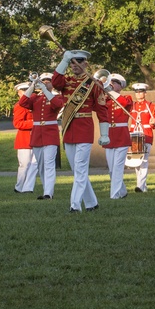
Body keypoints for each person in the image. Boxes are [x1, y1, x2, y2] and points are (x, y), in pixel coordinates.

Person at [51, 49, 110, 213]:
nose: (74, 65)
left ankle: (75, 205)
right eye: (72, 62)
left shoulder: (93, 84)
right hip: (69, 129)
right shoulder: (67, 81)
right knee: (77, 170)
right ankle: (92, 203)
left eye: (78, 61)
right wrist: (63, 61)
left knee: (81, 168)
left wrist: (105, 133)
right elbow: (55, 82)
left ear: (85, 63)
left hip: (84, 129)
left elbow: (101, 110)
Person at [19, 73, 65, 200]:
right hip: (37, 134)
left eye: (48, 81)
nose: (45, 82)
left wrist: (45, 89)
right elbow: (22, 102)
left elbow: (57, 105)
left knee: (49, 163)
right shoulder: (35, 97)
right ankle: (46, 189)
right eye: (43, 81)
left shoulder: (58, 97)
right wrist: (33, 85)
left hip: (50, 133)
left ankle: (48, 193)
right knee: (41, 165)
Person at [102, 74, 133, 200]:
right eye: (110, 82)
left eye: (115, 82)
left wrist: (111, 93)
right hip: (109, 135)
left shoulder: (126, 98)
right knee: (111, 169)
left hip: (121, 135)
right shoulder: (105, 100)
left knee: (117, 168)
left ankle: (114, 195)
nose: (112, 84)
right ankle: (123, 191)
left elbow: (124, 103)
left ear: (121, 86)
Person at [129, 83, 155, 193]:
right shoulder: (131, 106)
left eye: (140, 91)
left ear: (145, 93)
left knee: (144, 160)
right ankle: (142, 185)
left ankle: (140, 186)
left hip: (146, 136)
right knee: (136, 161)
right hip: (134, 136)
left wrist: (153, 122)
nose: (138, 94)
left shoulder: (152, 106)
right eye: (136, 92)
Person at [12, 81, 37, 194]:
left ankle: (28, 187)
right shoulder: (20, 105)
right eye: (25, 91)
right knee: (25, 164)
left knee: (34, 164)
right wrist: (34, 122)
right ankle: (19, 186)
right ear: (19, 93)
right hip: (25, 139)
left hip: (36, 137)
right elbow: (18, 123)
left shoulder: (35, 103)